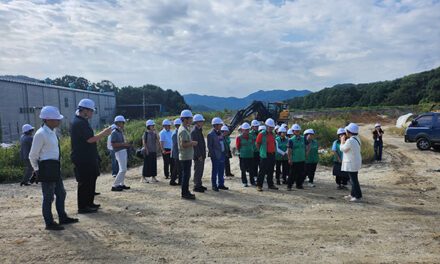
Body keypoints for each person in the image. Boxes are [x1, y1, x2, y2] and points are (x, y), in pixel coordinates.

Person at [29, 106, 78, 230]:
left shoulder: (52, 132)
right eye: (56, 119)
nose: (59, 121)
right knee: (48, 197)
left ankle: (62, 217)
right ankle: (49, 222)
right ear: (48, 120)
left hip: (54, 168)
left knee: (61, 193)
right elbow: (33, 155)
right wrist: (37, 170)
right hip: (46, 169)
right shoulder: (40, 134)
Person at [71, 99, 112, 214]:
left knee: (91, 180)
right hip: (83, 158)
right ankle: (83, 206)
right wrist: (104, 133)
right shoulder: (79, 123)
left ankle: (89, 203)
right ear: (85, 110)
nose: (92, 114)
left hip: (88, 157)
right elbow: (90, 139)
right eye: (91, 111)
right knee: (85, 182)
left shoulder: (82, 121)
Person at [178, 110, 198, 200]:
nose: (191, 120)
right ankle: (184, 193)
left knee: (187, 175)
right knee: (186, 175)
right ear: (185, 119)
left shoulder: (185, 129)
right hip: (185, 156)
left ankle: (186, 191)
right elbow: (183, 144)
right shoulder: (183, 130)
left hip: (187, 156)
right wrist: (192, 143)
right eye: (190, 118)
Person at [341, 123, 363, 202]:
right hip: (355, 162)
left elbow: (342, 149)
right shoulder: (356, 139)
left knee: (354, 180)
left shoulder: (350, 141)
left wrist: (342, 141)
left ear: (349, 131)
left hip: (351, 163)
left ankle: (358, 196)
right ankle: (352, 194)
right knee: (353, 179)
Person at [255, 118, 279, 191]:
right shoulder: (261, 134)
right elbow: (257, 144)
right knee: (262, 171)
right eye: (269, 126)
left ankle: (270, 184)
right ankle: (259, 185)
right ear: (266, 126)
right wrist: (261, 151)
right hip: (264, 155)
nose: (270, 128)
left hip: (272, 154)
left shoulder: (273, 134)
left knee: (271, 170)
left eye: (272, 127)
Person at [207, 118, 230, 191]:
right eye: (220, 124)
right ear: (215, 125)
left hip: (222, 154)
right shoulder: (210, 134)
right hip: (215, 156)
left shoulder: (220, 133)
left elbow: (223, 143)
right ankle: (214, 185)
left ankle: (221, 184)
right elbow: (209, 146)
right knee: (215, 170)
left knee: (221, 170)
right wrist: (213, 155)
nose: (221, 126)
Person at [110, 115, 131, 191]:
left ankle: (121, 184)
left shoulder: (120, 132)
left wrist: (125, 144)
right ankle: (115, 185)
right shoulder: (114, 132)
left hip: (122, 151)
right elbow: (112, 144)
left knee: (122, 169)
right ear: (118, 123)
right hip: (119, 152)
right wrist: (124, 144)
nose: (123, 124)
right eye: (122, 123)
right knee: (123, 169)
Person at [287, 124, 309, 190]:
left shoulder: (303, 138)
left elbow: (308, 145)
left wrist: (307, 152)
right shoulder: (291, 140)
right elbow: (289, 150)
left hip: (302, 159)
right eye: (296, 131)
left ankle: (299, 185)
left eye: (298, 131)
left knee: (301, 173)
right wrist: (290, 159)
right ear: (293, 132)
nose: (297, 132)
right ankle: (289, 186)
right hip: (294, 159)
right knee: (292, 174)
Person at [236, 122, 255, 187]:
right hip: (243, 156)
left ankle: (252, 181)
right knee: (243, 170)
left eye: (248, 130)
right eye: (245, 130)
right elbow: (238, 146)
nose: (247, 131)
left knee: (251, 169)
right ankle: (244, 182)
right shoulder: (239, 137)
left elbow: (252, 144)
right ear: (242, 130)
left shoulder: (251, 136)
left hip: (250, 155)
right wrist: (241, 152)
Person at [191, 114, 207, 193]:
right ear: (197, 122)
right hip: (198, 155)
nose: (202, 123)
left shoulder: (199, 130)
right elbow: (195, 146)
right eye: (201, 121)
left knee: (200, 170)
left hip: (201, 154)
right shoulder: (194, 131)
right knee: (197, 170)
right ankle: (196, 186)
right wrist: (199, 155)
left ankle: (199, 184)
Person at [170, 118, 182, 186]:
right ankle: (177, 181)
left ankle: (173, 181)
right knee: (178, 168)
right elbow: (175, 145)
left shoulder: (178, 132)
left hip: (178, 153)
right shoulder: (175, 134)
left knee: (177, 168)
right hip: (176, 153)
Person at [250, 120, 260, 185]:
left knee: (259, 164)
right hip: (252, 151)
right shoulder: (250, 133)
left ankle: (258, 175)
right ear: (252, 127)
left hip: (258, 151)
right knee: (253, 165)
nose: (257, 127)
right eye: (255, 126)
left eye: (257, 126)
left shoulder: (260, 133)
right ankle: (254, 176)